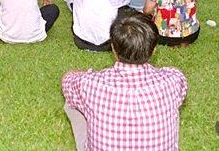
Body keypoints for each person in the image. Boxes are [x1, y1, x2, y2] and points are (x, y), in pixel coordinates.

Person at [61, 11, 189, 151]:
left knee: (71, 101)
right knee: (172, 105)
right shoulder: (173, 80)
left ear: (113, 49)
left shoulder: (89, 85)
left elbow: (67, 81)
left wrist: (84, 74)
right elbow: (180, 87)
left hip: (89, 87)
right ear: (153, 51)